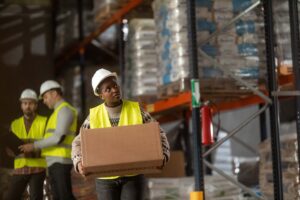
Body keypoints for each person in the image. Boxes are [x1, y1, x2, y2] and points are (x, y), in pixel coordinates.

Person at [71, 68, 170, 200]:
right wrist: (78, 162)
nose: (115, 90)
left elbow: (158, 133)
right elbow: (78, 142)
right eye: (108, 89)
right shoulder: (93, 117)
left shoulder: (137, 110)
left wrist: (163, 155)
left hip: (133, 176)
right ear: (101, 95)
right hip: (105, 179)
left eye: (115, 85)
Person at [19, 81, 77, 200]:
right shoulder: (57, 113)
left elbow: (58, 137)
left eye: (45, 97)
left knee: (64, 197)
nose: (44, 101)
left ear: (54, 93)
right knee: (59, 197)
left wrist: (34, 145)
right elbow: (51, 137)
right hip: (54, 162)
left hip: (60, 161)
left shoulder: (64, 110)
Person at [6, 89, 47, 200]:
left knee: (36, 197)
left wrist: (32, 148)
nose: (27, 106)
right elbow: (9, 149)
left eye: (30, 103)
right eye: (25, 103)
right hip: (20, 168)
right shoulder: (15, 124)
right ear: (21, 105)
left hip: (38, 169)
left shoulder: (44, 122)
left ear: (35, 105)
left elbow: (48, 145)